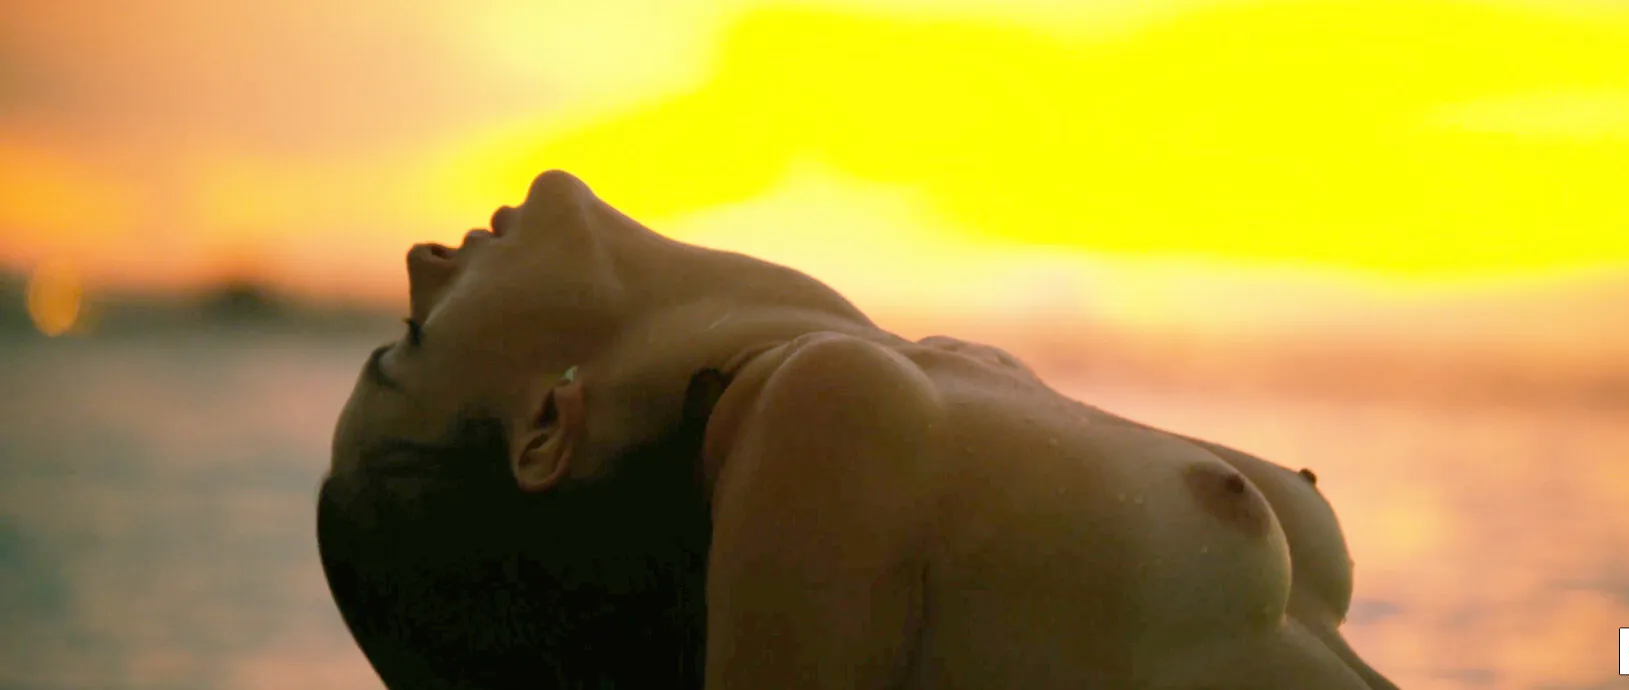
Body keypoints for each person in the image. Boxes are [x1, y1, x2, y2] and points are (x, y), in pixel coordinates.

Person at [317, 170, 1400, 689]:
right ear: (545, 430)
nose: (421, 264)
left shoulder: (942, 379)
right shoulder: (818, 427)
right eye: (412, 345)